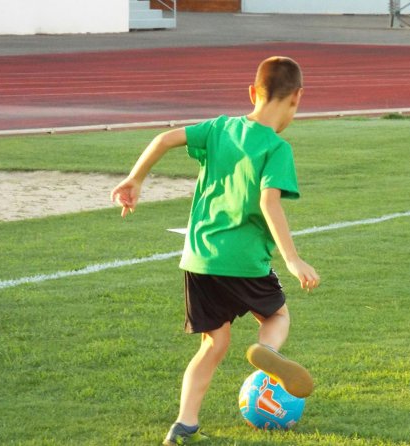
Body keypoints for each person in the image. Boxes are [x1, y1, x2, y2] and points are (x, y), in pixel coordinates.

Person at [111, 56, 320, 445]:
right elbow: (269, 202)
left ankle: (183, 425)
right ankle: (265, 349)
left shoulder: (220, 128)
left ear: (252, 92)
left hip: (200, 258)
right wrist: (292, 258)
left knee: (213, 344)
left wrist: (135, 179)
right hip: (244, 260)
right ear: (297, 98)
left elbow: (163, 139)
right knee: (276, 315)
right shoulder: (276, 148)